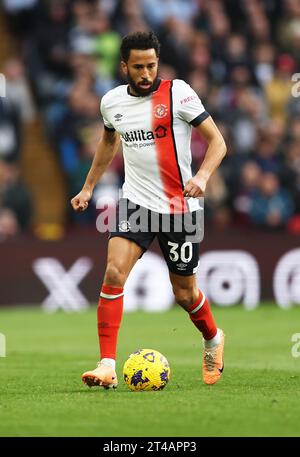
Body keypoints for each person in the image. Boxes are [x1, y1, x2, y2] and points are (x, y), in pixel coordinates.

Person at [71, 31, 227, 388]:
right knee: (113, 273)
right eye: (138, 66)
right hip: (136, 204)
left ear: (158, 63)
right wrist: (89, 186)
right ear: (124, 66)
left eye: (151, 65)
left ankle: (213, 338)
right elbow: (109, 143)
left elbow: (218, 142)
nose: (145, 73)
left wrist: (202, 176)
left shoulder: (179, 93)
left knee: (185, 294)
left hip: (181, 207)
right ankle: (107, 364)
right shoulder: (111, 102)